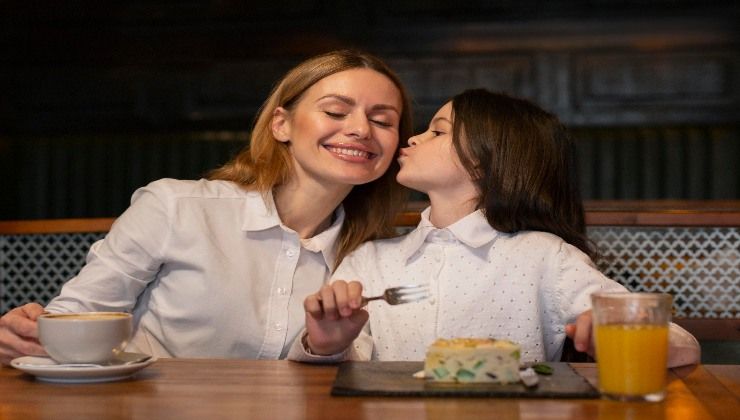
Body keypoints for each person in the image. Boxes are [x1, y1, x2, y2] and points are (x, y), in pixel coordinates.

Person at [0, 49, 414, 364]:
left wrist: (324, 348)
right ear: (281, 124)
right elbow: (76, 319)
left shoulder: (374, 257)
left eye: (382, 121)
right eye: (336, 111)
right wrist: (26, 335)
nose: (361, 129)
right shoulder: (175, 207)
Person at [289, 89, 700, 367]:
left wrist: (618, 333)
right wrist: (326, 343)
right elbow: (334, 364)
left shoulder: (544, 256)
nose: (410, 139)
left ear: (484, 161)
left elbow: (683, 345)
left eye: (437, 131)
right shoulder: (369, 260)